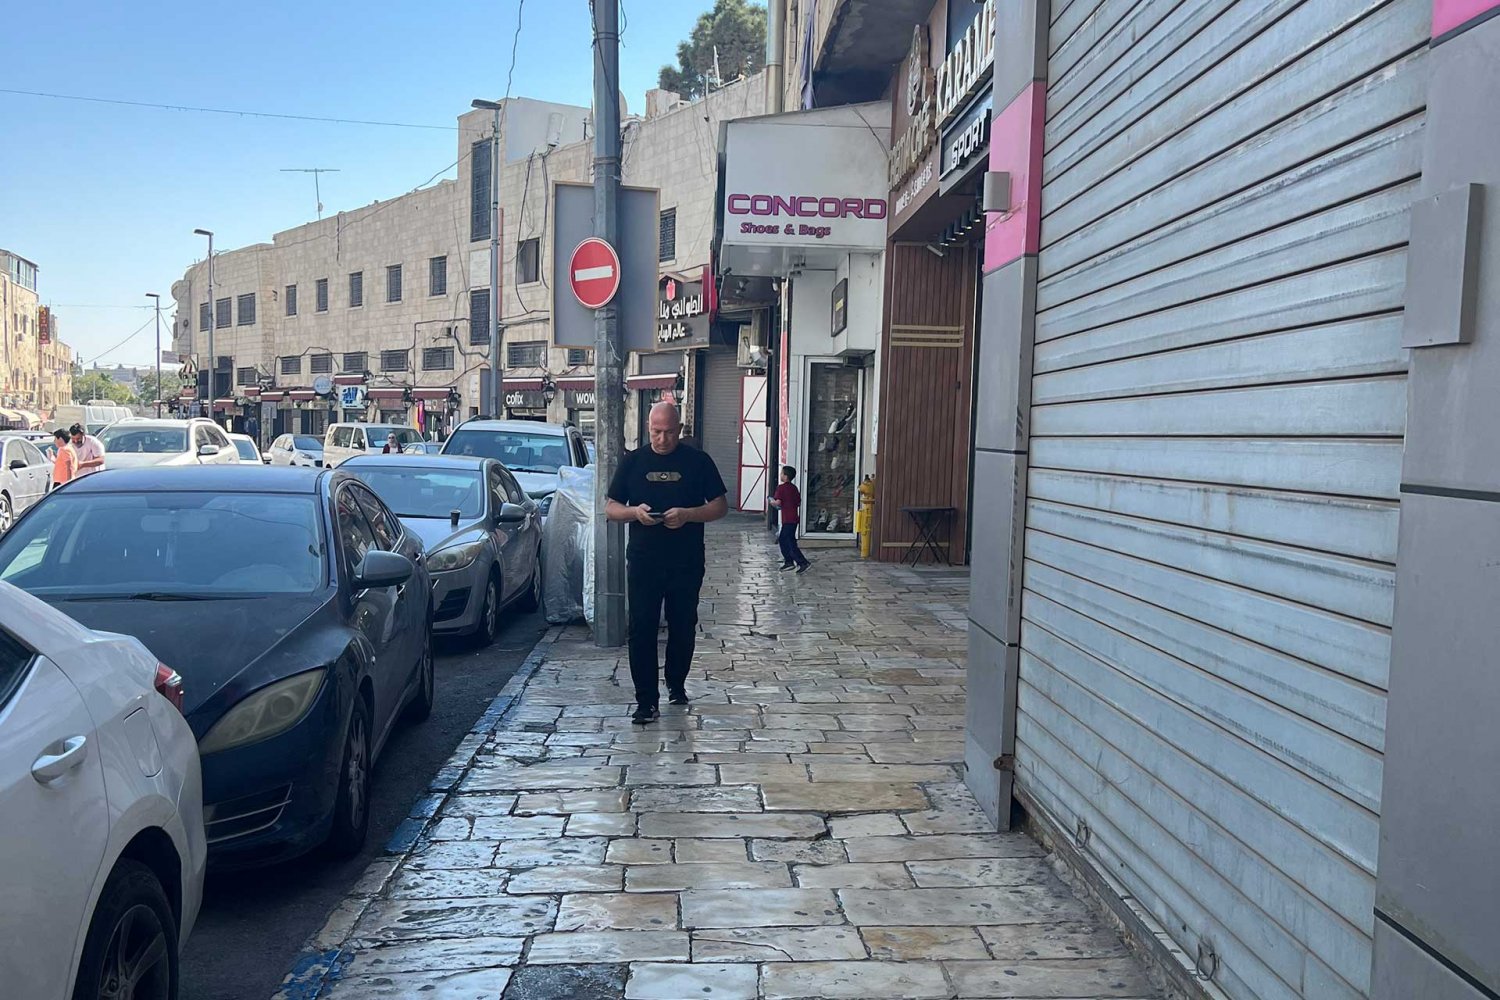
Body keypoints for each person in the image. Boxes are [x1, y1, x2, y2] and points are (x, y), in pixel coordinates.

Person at [605, 401, 729, 725]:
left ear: (680, 430)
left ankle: (676, 682)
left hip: (685, 560)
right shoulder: (633, 463)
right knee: (641, 628)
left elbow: (720, 506)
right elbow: (611, 508)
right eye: (657, 432)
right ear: (648, 429)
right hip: (645, 560)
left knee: (682, 625)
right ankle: (646, 701)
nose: (663, 439)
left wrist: (689, 514)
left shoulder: (698, 462)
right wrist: (635, 513)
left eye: (669, 432)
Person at [769, 465, 812, 574]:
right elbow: (798, 501)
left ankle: (800, 562)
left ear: (785, 476)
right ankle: (790, 562)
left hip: (787, 518)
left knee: (787, 541)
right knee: (787, 539)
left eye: (782, 473)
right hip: (793, 517)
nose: (780, 475)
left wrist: (771, 502)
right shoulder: (794, 488)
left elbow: (778, 502)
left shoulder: (781, 488)